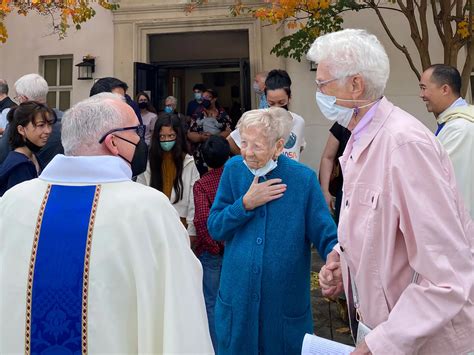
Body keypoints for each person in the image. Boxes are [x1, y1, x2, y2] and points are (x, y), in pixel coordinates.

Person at [0, 93, 213, 354]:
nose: (140, 139)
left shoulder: (13, 202)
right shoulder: (149, 209)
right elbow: (180, 313)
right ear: (113, 142)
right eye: (136, 131)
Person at [309, 29, 473, 354]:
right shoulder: (359, 140)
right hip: (382, 333)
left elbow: (447, 276)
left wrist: (378, 344)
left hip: (424, 344)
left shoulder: (404, 146)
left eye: (323, 84)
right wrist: (342, 264)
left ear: (355, 84)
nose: (319, 93)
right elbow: (378, 235)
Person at [207, 107, 338, 354]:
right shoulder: (234, 170)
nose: (247, 152)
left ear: (279, 146)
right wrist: (244, 204)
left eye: (257, 145)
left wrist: (335, 261)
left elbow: (328, 236)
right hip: (238, 306)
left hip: (283, 311)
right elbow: (215, 227)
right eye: (244, 142)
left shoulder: (303, 180)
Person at [419, 64, 473, 217]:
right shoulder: (455, 123)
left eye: (424, 88)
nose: (421, 95)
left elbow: (445, 183)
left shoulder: (460, 129)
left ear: (444, 89)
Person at [138, 114, 200, 243]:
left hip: (180, 224)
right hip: (154, 225)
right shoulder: (148, 162)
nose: (166, 140)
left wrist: (192, 229)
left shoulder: (188, 161)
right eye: (162, 137)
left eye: (171, 136)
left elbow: (194, 198)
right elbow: (140, 194)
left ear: (178, 137)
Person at [193, 135, 230, 352]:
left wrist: (214, 247)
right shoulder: (237, 177)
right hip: (235, 248)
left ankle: (217, 348)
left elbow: (202, 220)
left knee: (212, 302)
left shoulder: (202, 185)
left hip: (212, 253)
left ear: (204, 160)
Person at [228, 69, 306, 161]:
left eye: (281, 102)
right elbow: (230, 141)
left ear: (289, 97)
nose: (277, 108)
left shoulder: (298, 121)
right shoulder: (258, 120)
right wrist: (249, 161)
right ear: (266, 99)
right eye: (271, 103)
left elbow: (298, 147)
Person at [0, 74, 64, 165]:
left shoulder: (18, 122)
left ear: (23, 99)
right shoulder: (65, 120)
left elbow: (2, 155)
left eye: (17, 98)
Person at [0, 102, 54, 196]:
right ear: (21, 130)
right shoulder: (19, 167)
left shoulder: (31, 156)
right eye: (41, 125)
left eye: (49, 125)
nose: (48, 130)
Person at [188, 88, 232, 175]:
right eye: (203, 97)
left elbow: (229, 132)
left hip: (219, 154)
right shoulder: (197, 113)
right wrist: (201, 137)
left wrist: (214, 137)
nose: (205, 99)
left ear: (214, 99)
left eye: (208, 97)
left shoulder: (222, 114)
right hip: (200, 157)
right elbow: (190, 134)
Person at [319, 122, 351, 223]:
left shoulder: (382, 124)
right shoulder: (344, 122)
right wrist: (324, 191)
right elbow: (328, 157)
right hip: (344, 190)